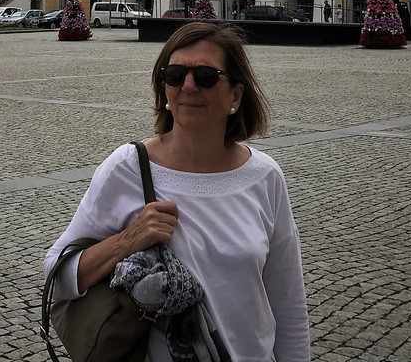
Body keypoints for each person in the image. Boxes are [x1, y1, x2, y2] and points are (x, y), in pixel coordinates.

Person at [44, 22, 309, 362]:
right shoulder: (127, 168)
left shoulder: (264, 177)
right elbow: (57, 273)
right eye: (175, 74)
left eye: (205, 76)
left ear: (236, 96)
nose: (188, 86)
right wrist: (127, 240)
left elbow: (288, 305)